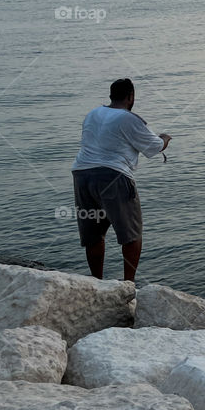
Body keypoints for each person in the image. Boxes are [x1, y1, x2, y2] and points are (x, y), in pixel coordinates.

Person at [71, 78, 171, 281]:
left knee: (93, 235)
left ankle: (96, 282)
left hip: (82, 175)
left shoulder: (92, 114)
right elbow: (154, 147)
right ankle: (128, 285)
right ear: (130, 97)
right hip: (113, 176)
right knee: (131, 234)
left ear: (111, 96)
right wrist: (165, 138)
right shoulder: (128, 118)